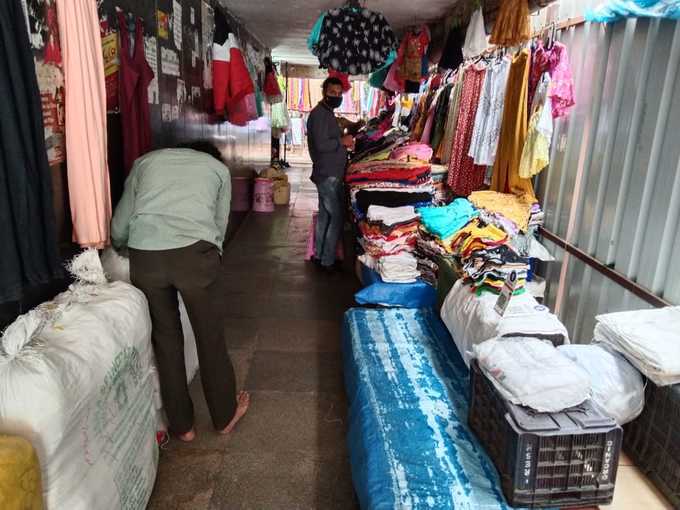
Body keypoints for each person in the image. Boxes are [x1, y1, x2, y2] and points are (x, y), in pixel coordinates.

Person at [110, 141, 249, 442]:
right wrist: (212, 256)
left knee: (165, 338)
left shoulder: (144, 162)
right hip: (195, 255)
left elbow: (121, 221)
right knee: (209, 336)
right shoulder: (217, 169)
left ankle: (183, 426)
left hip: (145, 256)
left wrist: (121, 244)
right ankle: (224, 416)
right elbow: (219, 224)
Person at [306, 77, 355, 272]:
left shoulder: (326, 113)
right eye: (332, 92)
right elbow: (321, 145)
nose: (336, 96)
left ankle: (319, 256)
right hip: (327, 175)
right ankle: (327, 261)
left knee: (326, 216)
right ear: (324, 92)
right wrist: (341, 142)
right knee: (337, 216)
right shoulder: (319, 115)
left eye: (338, 93)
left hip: (329, 172)